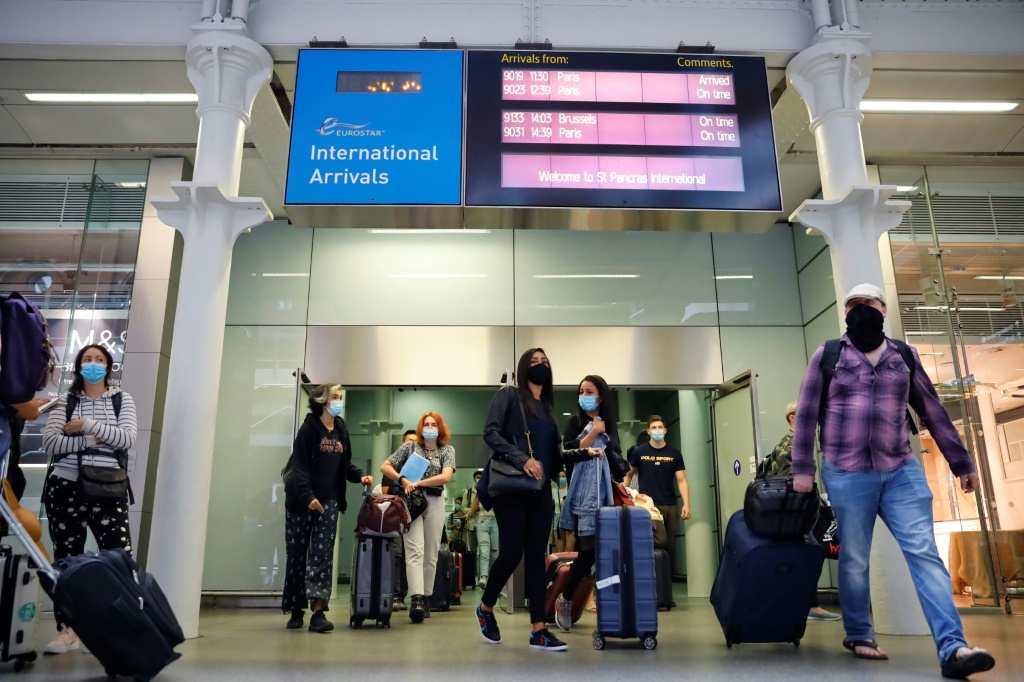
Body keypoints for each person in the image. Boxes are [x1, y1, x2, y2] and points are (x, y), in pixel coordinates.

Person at [792, 283, 995, 679]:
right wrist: (803, 468)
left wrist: (961, 463)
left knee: (925, 553)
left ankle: (953, 648)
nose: (860, 309)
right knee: (854, 557)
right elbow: (806, 413)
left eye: (867, 303)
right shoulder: (828, 354)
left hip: (900, 470)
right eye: (853, 304)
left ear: (883, 309)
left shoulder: (903, 355)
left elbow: (932, 409)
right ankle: (859, 634)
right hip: (846, 470)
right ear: (845, 313)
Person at [475, 348, 601, 651]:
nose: (540, 365)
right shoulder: (509, 395)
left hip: (540, 490)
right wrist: (522, 459)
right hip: (512, 486)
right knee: (511, 552)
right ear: (523, 368)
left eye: (545, 362)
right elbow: (491, 433)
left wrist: (585, 452)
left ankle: (538, 630)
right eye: (534, 361)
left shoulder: (547, 408)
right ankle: (486, 607)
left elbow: (554, 455)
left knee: (536, 557)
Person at [41, 344, 137, 654]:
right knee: (67, 558)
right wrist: (93, 439)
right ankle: (70, 628)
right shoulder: (65, 401)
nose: (93, 364)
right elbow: (51, 443)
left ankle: (115, 627)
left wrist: (85, 426)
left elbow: (127, 438)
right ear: (78, 366)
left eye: (99, 359)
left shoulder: (122, 399)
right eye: (87, 359)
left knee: (119, 557)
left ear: (108, 366)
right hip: (65, 486)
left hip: (109, 487)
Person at [281, 384, 371, 633]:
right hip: (301, 500)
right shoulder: (309, 429)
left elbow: (344, 464)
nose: (339, 401)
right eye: (335, 397)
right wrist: (308, 496)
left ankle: (318, 612)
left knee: (322, 555)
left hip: (329, 500)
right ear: (322, 401)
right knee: (298, 555)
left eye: (340, 397)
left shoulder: (341, 428)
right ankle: (296, 608)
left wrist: (360, 476)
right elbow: (299, 467)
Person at [554, 374, 629, 632]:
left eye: (589, 391)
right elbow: (567, 453)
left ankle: (604, 604)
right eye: (581, 391)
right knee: (588, 551)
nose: (584, 396)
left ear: (600, 396)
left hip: (606, 493)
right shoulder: (575, 422)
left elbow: (617, 458)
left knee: (604, 552)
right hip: (583, 495)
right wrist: (594, 432)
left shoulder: (610, 424)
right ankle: (565, 598)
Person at [763, 401, 840, 621]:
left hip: (793, 513)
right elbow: (791, 484)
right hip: (796, 514)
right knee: (810, 554)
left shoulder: (792, 442)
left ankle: (804, 605)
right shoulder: (792, 444)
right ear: (793, 418)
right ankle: (809, 606)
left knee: (804, 555)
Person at [381, 411, 456, 623]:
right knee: (414, 550)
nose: (430, 428)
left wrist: (419, 482)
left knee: (431, 552)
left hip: (435, 500)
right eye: (426, 424)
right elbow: (385, 466)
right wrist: (402, 479)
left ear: (440, 428)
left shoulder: (447, 450)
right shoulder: (410, 447)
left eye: (434, 424)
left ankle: (426, 596)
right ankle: (416, 599)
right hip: (411, 500)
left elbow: (446, 476)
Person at [624, 414, 689, 601]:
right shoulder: (640, 452)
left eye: (660, 427)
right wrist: (626, 494)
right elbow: (628, 475)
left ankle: (665, 593)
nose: (657, 430)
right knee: (653, 546)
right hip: (649, 508)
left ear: (665, 430)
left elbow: (682, 480)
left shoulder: (674, 454)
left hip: (670, 506)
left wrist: (686, 503)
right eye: (654, 428)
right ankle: (649, 590)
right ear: (648, 431)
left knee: (668, 548)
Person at [465, 468, 498, 587]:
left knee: (495, 552)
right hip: (482, 522)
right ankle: (483, 577)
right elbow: (474, 506)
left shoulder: (498, 488)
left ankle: (493, 577)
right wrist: (467, 515)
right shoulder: (480, 490)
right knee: (484, 551)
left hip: (496, 523)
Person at [551, 468, 574, 554]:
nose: (562, 478)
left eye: (563, 476)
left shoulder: (570, 491)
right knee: (559, 552)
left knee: (569, 551)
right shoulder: (553, 491)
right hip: (557, 523)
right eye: (560, 477)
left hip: (569, 522)